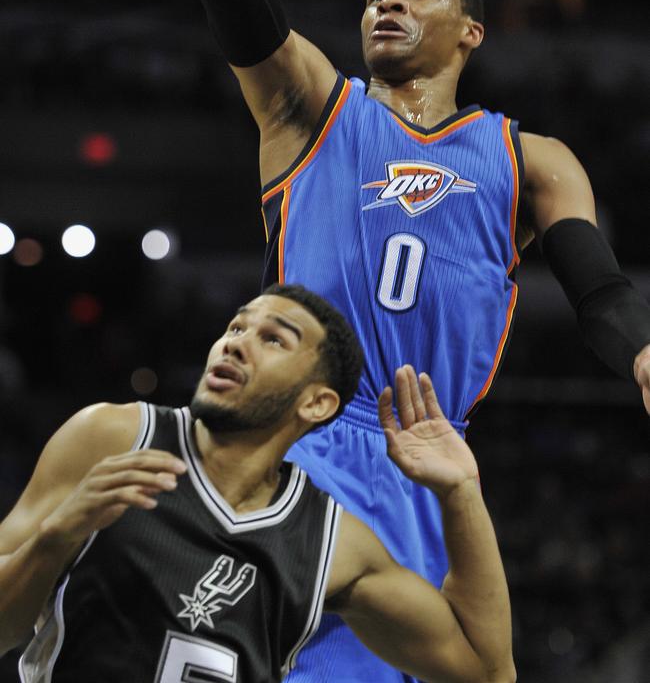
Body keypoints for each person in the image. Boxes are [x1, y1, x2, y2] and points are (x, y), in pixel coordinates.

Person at [183, 0, 650, 683]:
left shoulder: (531, 159)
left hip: (424, 464)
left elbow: (599, 292)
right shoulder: (314, 107)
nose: (387, 2)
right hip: (290, 433)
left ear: (469, 32)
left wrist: (642, 350)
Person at [0, 284, 515, 683]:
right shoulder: (115, 436)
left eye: (272, 339)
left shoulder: (331, 543)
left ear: (316, 403)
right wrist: (54, 539)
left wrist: (460, 493)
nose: (235, 345)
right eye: (236, 328)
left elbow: (487, 672)